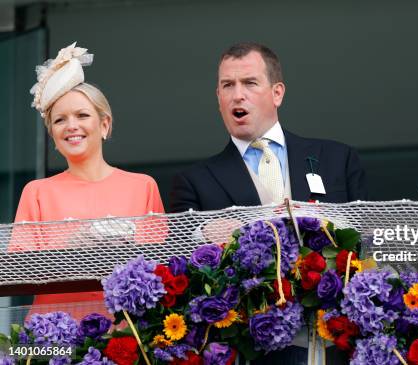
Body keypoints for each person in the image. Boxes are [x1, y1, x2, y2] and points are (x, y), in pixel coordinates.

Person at [11, 42, 164, 316]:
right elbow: (18, 271)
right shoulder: (36, 192)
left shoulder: (143, 186)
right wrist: (71, 251)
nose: (71, 126)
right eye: (59, 120)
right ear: (53, 137)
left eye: (82, 115)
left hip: (126, 332)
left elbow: (159, 266)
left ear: (104, 125)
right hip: (54, 332)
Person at [170, 43, 367, 213]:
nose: (237, 95)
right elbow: (185, 250)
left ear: (277, 93)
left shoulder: (338, 159)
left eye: (250, 83)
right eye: (228, 85)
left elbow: (366, 238)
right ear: (218, 98)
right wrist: (206, 233)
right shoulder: (193, 183)